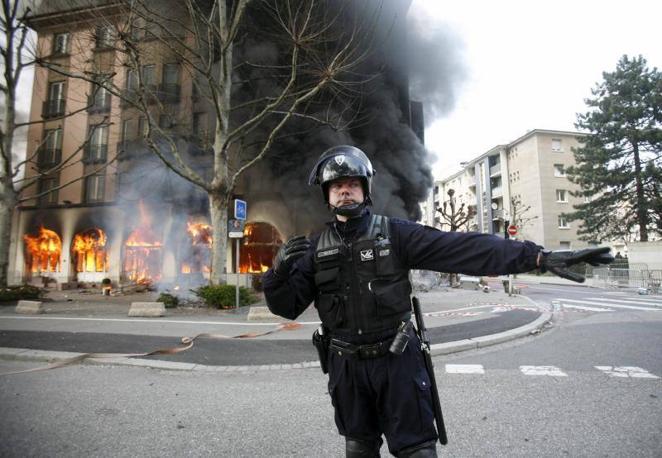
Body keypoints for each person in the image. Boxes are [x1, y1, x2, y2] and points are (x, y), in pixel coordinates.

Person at [262, 145, 613, 458]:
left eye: (352, 184)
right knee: (358, 447)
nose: (345, 192)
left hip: (396, 361)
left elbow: (462, 249)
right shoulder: (314, 248)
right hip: (346, 368)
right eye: (337, 187)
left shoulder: (395, 233)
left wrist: (536, 257)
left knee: (417, 450)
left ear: (365, 190)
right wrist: (276, 273)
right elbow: (286, 306)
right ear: (327, 195)